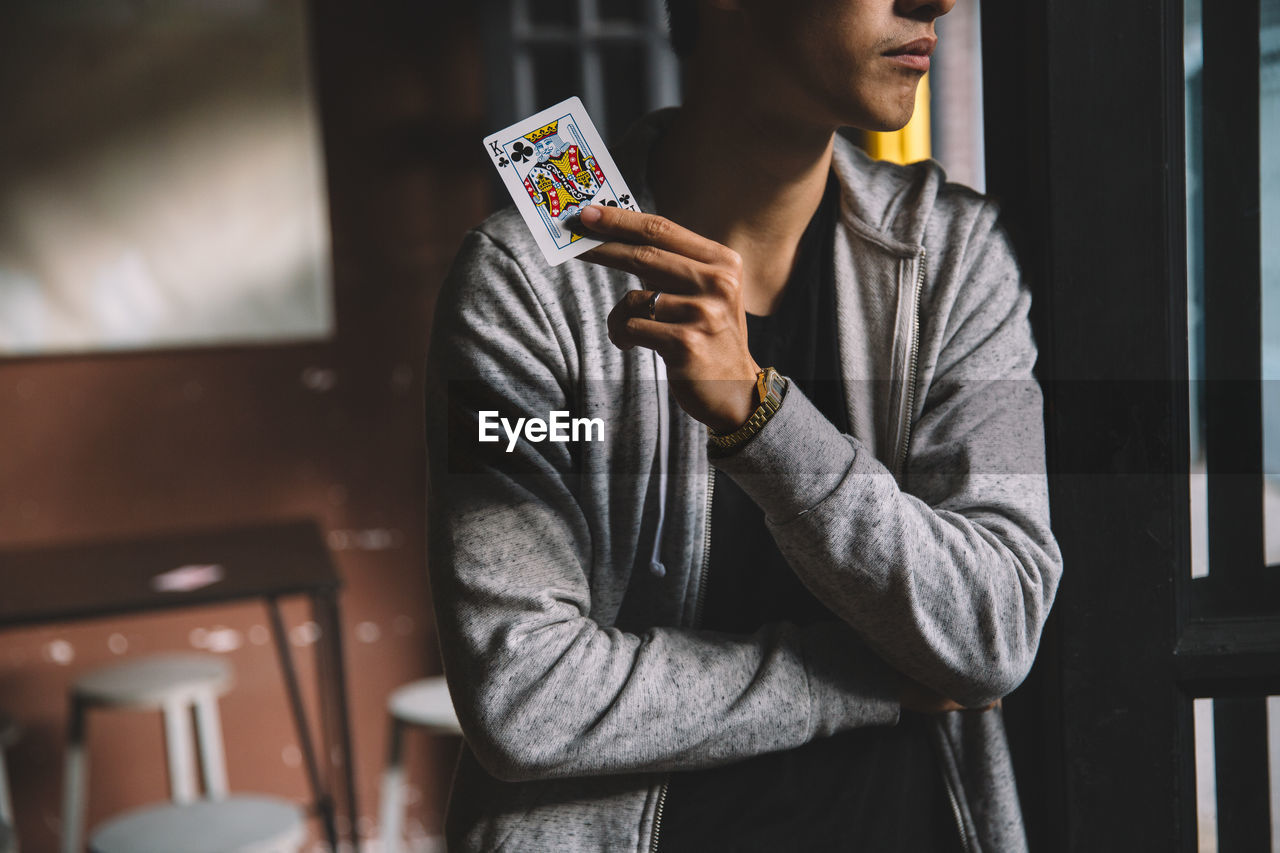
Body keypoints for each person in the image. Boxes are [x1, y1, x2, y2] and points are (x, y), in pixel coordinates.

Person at [425, 0, 1063, 849]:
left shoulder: (950, 255)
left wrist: (763, 421)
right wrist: (867, 681)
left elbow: (994, 630)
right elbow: (524, 695)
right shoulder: (526, 281)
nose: (937, 1)